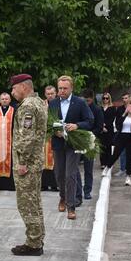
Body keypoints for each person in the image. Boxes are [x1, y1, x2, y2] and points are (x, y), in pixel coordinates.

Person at [9, 74, 47, 256]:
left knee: (27, 204)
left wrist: (22, 162)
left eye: (14, 88)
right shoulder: (39, 102)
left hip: (27, 164)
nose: (12, 92)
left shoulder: (28, 106)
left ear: (23, 87)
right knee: (35, 202)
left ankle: (33, 243)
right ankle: (36, 239)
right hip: (35, 162)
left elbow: (26, 137)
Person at [49, 76, 94, 220]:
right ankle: (63, 197)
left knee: (71, 174)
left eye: (65, 88)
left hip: (74, 144)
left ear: (71, 88)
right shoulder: (53, 103)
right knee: (59, 174)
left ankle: (71, 206)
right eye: (60, 88)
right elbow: (49, 123)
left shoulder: (80, 102)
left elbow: (90, 121)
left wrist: (77, 125)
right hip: (58, 143)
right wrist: (55, 131)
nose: (61, 91)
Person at [76, 89, 104, 201]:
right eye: (83, 100)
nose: (85, 103)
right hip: (77, 140)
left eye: (87, 100)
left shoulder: (97, 110)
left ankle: (87, 191)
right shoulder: (78, 108)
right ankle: (77, 190)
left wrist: (90, 135)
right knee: (75, 167)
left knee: (88, 168)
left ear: (92, 99)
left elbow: (99, 126)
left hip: (91, 141)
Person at [102, 94, 131, 187]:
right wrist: (125, 113)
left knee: (130, 157)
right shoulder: (121, 111)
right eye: (123, 98)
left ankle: (128, 177)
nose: (124, 100)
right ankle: (107, 167)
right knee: (116, 154)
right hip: (122, 136)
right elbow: (117, 123)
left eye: (126, 98)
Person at [0, 92, 16, 191]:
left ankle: (10, 186)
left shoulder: (14, 111)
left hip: (10, 142)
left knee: (10, 162)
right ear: (0, 100)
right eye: (2, 99)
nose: (4, 100)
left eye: (6, 99)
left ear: (10, 100)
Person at [41, 85, 58, 191]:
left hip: (55, 135)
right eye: (48, 94)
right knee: (43, 160)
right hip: (44, 136)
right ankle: (44, 184)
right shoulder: (42, 104)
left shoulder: (59, 104)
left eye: (52, 93)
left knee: (55, 160)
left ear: (55, 93)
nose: (50, 96)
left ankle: (55, 184)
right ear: (45, 94)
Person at [99, 92, 116, 169]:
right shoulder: (100, 108)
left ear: (109, 99)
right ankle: (103, 162)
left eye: (107, 98)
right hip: (101, 129)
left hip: (109, 129)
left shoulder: (112, 108)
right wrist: (102, 126)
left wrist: (106, 125)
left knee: (108, 146)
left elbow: (112, 118)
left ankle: (109, 162)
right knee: (102, 146)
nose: (105, 100)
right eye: (104, 98)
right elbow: (98, 117)